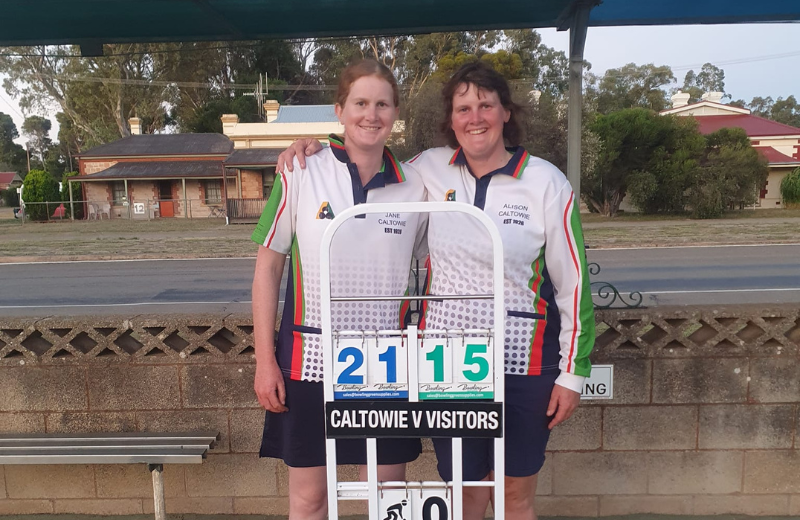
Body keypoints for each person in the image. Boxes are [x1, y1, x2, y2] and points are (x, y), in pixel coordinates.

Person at [277, 61, 595, 520]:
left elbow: (575, 285)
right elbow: (365, 160)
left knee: (513, 495)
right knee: (464, 493)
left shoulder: (546, 182)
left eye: (486, 105)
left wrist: (572, 374)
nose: (475, 117)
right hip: (451, 361)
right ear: (450, 119)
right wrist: (313, 148)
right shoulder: (427, 169)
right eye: (463, 108)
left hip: (524, 361)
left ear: (506, 112)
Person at [251, 59, 425, 520]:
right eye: (361, 103)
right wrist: (265, 361)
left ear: (395, 113)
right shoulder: (301, 170)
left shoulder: (417, 186)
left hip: (386, 363)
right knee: (310, 500)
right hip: (310, 361)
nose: (372, 115)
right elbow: (267, 268)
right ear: (340, 110)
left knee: (389, 499)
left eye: (382, 104)